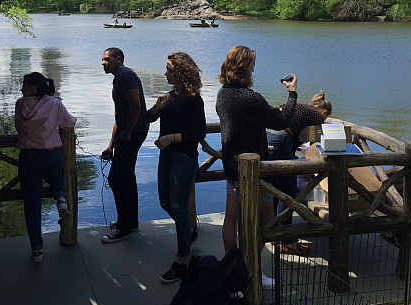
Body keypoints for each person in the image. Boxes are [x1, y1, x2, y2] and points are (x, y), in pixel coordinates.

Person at [215, 45, 297, 290]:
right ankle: (248, 268)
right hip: (252, 172)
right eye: (252, 64)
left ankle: (232, 266)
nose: (254, 68)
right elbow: (281, 120)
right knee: (265, 221)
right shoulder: (250, 98)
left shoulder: (222, 94)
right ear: (245, 67)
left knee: (231, 219)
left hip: (231, 165)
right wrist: (292, 94)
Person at [146, 52, 206, 283]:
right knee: (164, 202)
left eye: (170, 70)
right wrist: (156, 108)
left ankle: (182, 261)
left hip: (184, 158)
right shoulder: (169, 97)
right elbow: (147, 118)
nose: (165, 73)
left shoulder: (194, 100)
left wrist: (171, 138)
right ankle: (187, 233)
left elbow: (198, 132)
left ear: (182, 73)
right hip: (166, 156)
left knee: (179, 208)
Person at [15, 72, 77, 263]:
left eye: (24, 85)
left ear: (33, 88)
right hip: (51, 155)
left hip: (28, 158)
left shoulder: (20, 104)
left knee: (32, 205)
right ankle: (60, 197)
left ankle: (37, 250)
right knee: (56, 171)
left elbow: (18, 127)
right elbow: (68, 124)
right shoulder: (54, 103)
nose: (21, 89)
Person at [266, 90, 332, 253]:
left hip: (266, 135)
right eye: (326, 118)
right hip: (280, 140)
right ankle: (287, 241)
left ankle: (275, 234)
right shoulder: (317, 117)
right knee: (287, 191)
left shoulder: (301, 108)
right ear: (324, 112)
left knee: (275, 187)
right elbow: (317, 147)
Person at [101, 48, 148, 243]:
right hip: (128, 132)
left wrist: (128, 132)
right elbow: (119, 115)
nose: (103, 63)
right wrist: (111, 145)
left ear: (118, 59)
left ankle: (124, 227)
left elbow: (136, 106)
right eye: (102, 60)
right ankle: (131, 221)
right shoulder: (120, 76)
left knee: (116, 178)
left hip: (134, 133)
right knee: (127, 175)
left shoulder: (125, 75)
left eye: (107, 59)